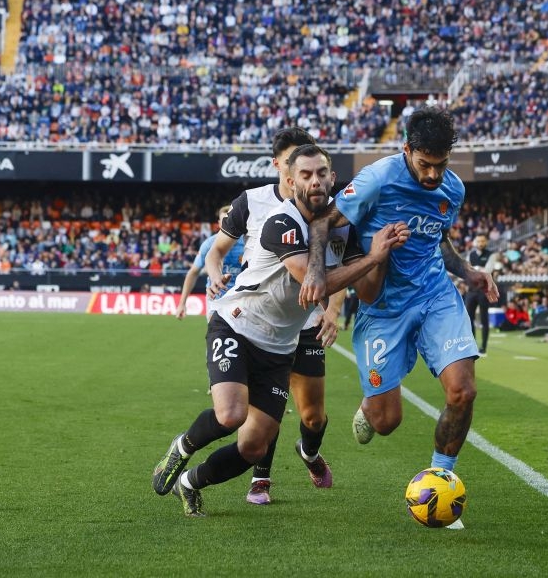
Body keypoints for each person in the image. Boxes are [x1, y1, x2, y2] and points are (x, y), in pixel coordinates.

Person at [151, 144, 409, 517]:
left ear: (333, 179)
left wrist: (382, 250)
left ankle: (190, 482)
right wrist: (372, 257)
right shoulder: (281, 222)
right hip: (237, 325)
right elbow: (314, 282)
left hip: (280, 347)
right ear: (291, 181)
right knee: (230, 415)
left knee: (255, 446)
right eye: (305, 175)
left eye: (322, 173)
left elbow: (366, 289)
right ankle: (182, 446)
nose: (315, 180)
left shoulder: (345, 228)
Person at [299, 107, 498, 530]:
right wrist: (318, 274)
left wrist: (469, 273)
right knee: (387, 422)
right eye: (424, 165)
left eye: (440, 165)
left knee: (462, 391)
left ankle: (440, 477)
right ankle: (371, 407)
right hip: (383, 307)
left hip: (435, 294)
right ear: (407, 150)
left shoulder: (453, 189)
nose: (432, 175)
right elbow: (322, 223)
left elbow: (438, 239)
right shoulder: (379, 178)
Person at [202, 128, 346, 505]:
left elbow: (341, 261)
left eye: (315, 168)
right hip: (262, 320)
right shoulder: (253, 202)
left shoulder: (331, 210)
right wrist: (215, 273)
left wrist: (331, 310)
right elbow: (215, 251)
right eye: (293, 164)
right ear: (280, 166)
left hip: (308, 323)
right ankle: (261, 478)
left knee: (313, 416)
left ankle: (309, 452)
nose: (306, 174)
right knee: (268, 406)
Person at [176, 205, 245, 323]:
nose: (227, 224)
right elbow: (193, 273)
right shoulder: (209, 244)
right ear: (218, 223)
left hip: (241, 299)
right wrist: (182, 303)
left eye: (229, 220)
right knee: (216, 336)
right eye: (224, 221)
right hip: (216, 298)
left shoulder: (247, 243)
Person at [464, 234, 492, 354]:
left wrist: (475, 269)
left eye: (483, 241)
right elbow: (466, 269)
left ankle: (483, 347)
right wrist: (478, 269)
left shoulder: (491, 254)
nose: (481, 243)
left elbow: (487, 271)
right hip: (471, 290)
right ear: (475, 242)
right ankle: (472, 345)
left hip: (484, 291)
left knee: (484, 319)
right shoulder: (470, 254)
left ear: (486, 242)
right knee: (468, 319)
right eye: (479, 241)